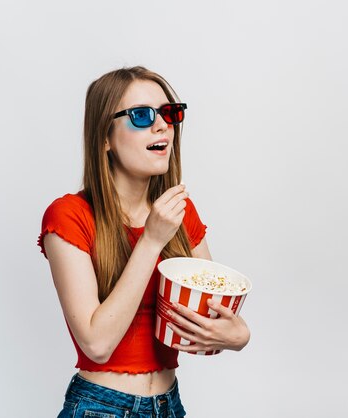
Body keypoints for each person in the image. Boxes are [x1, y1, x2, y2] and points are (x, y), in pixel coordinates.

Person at [37, 66, 250, 418]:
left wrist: (238, 336)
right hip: (100, 407)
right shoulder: (69, 215)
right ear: (104, 137)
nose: (162, 125)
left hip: (170, 405)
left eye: (168, 113)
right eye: (141, 115)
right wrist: (150, 241)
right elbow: (97, 343)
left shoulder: (179, 212)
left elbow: (211, 312)